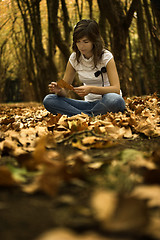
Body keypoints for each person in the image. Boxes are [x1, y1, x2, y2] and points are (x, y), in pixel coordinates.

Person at [43, 19, 125, 117]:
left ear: (94, 40)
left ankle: (81, 116)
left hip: (106, 102)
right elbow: (65, 88)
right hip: (87, 105)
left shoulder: (106, 57)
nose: (81, 46)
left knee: (115, 100)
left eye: (85, 42)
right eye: (78, 42)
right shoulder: (74, 58)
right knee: (49, 100)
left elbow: (116, 89)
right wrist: (59, 90)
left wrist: (90, 89)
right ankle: (88, 116)